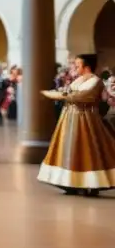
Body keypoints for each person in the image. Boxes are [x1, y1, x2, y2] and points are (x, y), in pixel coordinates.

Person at [38, 53, 115, 197]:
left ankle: (92, 184)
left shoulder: (95, 81)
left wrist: (58, 95)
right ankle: (70, 183)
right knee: (69, 150)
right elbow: (69, 92)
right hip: (69, 119)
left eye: (78, 65)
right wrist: (61, 93)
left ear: (86, 67)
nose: (75, 67)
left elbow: (80, 96)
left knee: (87, 150)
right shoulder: (79, 79)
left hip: (86, 120)